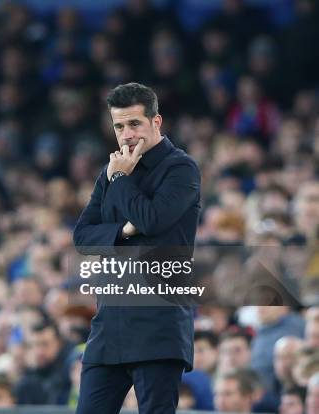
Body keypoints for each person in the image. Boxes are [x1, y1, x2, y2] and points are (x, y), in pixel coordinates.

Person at [73, 82, 201, 414]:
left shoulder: (180, 168)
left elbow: (154, 220)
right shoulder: (111, 172)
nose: (126, 134)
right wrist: (126, 230)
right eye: (119, 126)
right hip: (109, 324)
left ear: (156, 122)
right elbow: (83, 237)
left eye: (134, 124)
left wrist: (122, 181)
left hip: (158, 323)